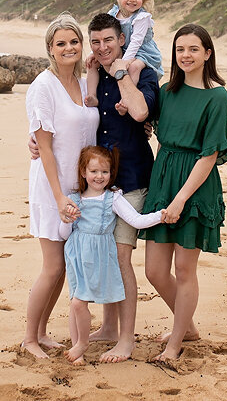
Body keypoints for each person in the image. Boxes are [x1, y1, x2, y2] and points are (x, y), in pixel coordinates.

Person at [29, 12, 159, 362]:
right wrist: (36, 143)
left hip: (126, 179)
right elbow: (58, 127)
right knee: (80, 259)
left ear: (122, 40)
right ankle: (96, 329)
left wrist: (121, 72)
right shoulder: (88, 77)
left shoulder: (138, 72)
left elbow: (141, 114)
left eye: (109, 41)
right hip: (85, 187)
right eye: (96, 41)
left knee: (117, 258)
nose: (102, 48)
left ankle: (124, 338)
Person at [139, 24, 227, 361]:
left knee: (184, 269)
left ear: (207, 53)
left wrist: (181, 199)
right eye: (180, 49)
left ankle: (176, 344)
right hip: (163, 178)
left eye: (193, 49)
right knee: (154, 271)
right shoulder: (167, 91)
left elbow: (210, 156)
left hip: (195, 185)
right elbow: (145, 120)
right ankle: (187, 325)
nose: (186, 56)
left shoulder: (217, 97)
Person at [22, 13, 99, 359]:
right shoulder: (43, 86)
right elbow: (46, 148)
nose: (68, 48)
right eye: (61, 43)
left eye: (74, 41)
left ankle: (41, 331)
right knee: (53, 266)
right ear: (50, 50)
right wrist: (57, 197)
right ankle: (29, 338)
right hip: (52, 188)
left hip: (79, 188)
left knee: (64, 266)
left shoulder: (85, 85)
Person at [58, 145, 164, 365]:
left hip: (99, 259)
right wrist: (67, 219)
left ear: (111, 174)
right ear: (83, 172)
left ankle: (82, 343)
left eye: (104, 172)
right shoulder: (74, 199)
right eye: (94, 171)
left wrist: (161, 215)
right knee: (75, 303)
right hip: (78, 256)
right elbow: (64, 233)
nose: (99, 176)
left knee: (80, 302)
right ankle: (78, 345)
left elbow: (135, 220)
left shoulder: (112, 198)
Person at [85, 0, 163, 107]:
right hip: (126, 48)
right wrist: (93, 54)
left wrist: (124, 62)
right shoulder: (114, 12)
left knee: (133, 68)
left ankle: (126, 100)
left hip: (143, 52)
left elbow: (136, 42)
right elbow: (102, 31)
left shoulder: (142, 17)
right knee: (92, 64)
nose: (132, 0)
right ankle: (92, 95)